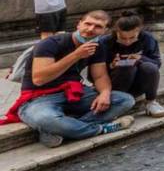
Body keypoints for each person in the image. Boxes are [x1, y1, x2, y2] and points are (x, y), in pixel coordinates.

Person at [1, 11, 135, 148]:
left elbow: (100, 76)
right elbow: (39, 79)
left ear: (105, 31)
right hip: (39, 98)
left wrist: (105, 93)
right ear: (79, 24)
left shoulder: (97, 47)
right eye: (87, 24)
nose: (90, 29)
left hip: (74, 94)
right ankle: (102, 129)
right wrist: (76, 55)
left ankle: (61, 129)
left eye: (98, 27)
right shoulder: (50, 43)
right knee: (46, 119)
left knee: (125, 100)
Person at [99, 11, 164, 117]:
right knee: (127, 67)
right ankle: (117, 102)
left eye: (132, 38)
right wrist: (111, 66)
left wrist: (141, 58)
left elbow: (157, 64)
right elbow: (93, 75)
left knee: (149, 67)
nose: (127, 42)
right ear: (116, 32)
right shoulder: (104, 42)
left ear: (138, 31)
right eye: (123, 38)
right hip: (114, 83)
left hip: (138, 83)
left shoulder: (147, 38)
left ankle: (151, 102)